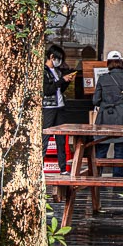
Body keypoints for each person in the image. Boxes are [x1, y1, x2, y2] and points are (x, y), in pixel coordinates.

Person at [93, 50, 123, 177]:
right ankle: (117, 178)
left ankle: (96, 176)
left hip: (105, 117)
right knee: (119, 149)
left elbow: (95, 100)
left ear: (108, 63)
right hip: (122, 116)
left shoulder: (103, 79)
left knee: (102, 148)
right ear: (121, 62)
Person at [43, 45, 77, 175]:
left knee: (61, 139)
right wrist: (61, 81)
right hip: (48, 108)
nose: (60, 61)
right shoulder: (44, 72)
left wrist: (66, 81)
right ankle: (39, 167)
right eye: (58, 58)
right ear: (52, 57)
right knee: (45, 137)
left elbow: (59, 90)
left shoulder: (57, 71)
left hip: (60, 107)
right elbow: (47, 90)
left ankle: (62, 168)